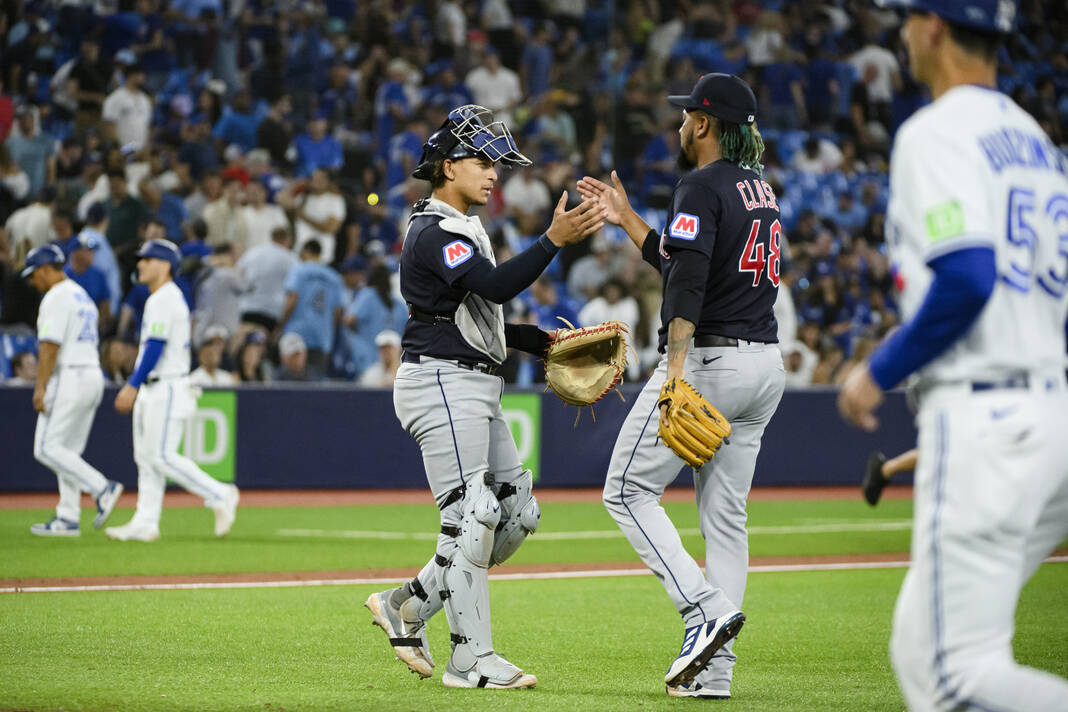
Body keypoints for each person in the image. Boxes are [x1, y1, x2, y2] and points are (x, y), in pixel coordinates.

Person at [837, 3, 1068, 710]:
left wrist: (876, 373)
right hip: (1047, 410)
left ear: (934, 26)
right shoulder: (1034, 140)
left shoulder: (936, 132)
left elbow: (968, 275)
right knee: (919, 643)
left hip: (986, 414)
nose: (901, 31)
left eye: (907, 17)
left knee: (955, 674)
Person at [363, 105, 604, 689]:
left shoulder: (464, 228)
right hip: (439, 381)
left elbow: (482, 317)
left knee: (517, 512)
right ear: (448, 166)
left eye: (497, 161)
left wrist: (543, 342)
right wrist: (553, 239)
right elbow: (493, 287)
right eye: (483, 159)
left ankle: (410, 603)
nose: (495, 171)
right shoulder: (432, 230)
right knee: (473, 516)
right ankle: (469, 659)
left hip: (472, 378)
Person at [577, 73, 785, 699]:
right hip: (763, 367)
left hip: (709, 363)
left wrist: (673, 368)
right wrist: (627, 220)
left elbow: (687, 284)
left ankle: (701, 610)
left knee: (625, 490)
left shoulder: (698, 183)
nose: (678, 124)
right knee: (726, 521)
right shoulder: (759, 189)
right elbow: (685, 259)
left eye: (685, 115)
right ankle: (713, 675)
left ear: (703, 123)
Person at [106, 238, 240, 542]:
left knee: (162, 456)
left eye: (147, 259)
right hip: (157, 387)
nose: (140, 264)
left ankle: (220, 493)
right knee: (146, 458)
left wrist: (132, 384)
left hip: (166, 385)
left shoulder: (165, 298)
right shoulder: (161, 297)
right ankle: (146, 521)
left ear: (165, 264)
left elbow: (155, 347)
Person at [20, 245, 124, 537]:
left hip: (70, 375)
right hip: (91, 374)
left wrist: (40, 386)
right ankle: (67, 516)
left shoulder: (56, 296)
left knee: (47, 448)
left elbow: (50, 345)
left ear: (44, 269)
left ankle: (102, 487)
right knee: (68, 452)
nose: (32, 281)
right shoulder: (81, 295)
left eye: (33, 274)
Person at [275, 239, 344, 379]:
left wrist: (279, 326)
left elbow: (292, 299)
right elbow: (338, 312)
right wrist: (328, 331)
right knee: (315, 387)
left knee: (288, 384)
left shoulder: (299, 270)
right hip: (321, 337)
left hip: (296, 333)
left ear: (306, 251)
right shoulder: (335, 277)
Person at [237, 225, 298, 334]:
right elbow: (294, 292)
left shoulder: (253, 252)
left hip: (247, 307)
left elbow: (238, 274)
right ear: (288, 240)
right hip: (272, 311)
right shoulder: (290, 259)